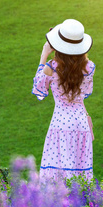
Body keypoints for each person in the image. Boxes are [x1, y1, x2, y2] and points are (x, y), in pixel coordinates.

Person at [32, 19, 95, 182]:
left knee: (57, 172)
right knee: (80, 171)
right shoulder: (89, 67)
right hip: (81, 123)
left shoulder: (52, 67)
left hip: (60, 124)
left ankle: (57, 205)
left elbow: (39, 87)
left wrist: (44, 54)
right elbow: (85, 93)